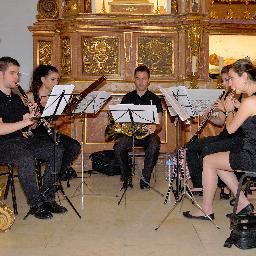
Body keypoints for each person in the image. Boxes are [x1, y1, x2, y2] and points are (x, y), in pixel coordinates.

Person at [183, 58, 256, 220]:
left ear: (244, 76)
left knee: (209, 161)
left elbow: (230, 129)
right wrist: (238, 107)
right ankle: (243, 204)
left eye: (231, 79)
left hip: (252, 155)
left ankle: (206, 210)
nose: (230, 84)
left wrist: (229, 110)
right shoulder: (250, 100)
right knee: (217, 162)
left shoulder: (250, 102)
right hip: (251, 149)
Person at [0, 56, 67, 219]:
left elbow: (31, 127)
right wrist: (26, 122)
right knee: (26, 158)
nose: (17, 77)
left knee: (55, 149)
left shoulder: (16, 98)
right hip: (3, 144)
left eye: (18, 73)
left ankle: (47, 197)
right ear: (1, 74)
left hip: (21, 140)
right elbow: (1, 129)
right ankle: (36, 203)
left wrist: (34, 117)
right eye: (12, 73)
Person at [186, 65, 244, 197]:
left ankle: (223, 186)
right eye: (223, 80)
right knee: (191, 147)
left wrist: (226, 109)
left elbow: (236, 124)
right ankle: (198, 185)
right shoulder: (226, 95)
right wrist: (209, 116)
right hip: (226, 135)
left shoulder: (242, 95)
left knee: (208, 149)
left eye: (227, 80)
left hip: (236, 137)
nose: (224, 84)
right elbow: (222, 121)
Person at [27, 64, 81, 181]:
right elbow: (26, 124)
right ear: (42, 79)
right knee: (57, 149)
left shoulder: (57, 98)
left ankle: (56, 176)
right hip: (34, 135)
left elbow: (57, 122)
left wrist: (61, 119)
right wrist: (34, 116)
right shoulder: (30, 97)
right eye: (53, 79)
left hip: (50, 132)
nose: (56, 83)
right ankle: (50, 180)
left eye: (57, 79)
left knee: (74, 146)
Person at [114, 65, 163, 189]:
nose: (141, 82)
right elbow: (121, 121)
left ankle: (145, 179)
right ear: (134, 80)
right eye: (138, 78)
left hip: (147, 134)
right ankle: (127, 177)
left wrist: (155, 127)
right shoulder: (127, 97)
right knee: (118, 145)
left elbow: (159, 124)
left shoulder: (155, 99)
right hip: (130, 134)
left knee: (155, 142)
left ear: (149, 80)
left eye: (144, 78)